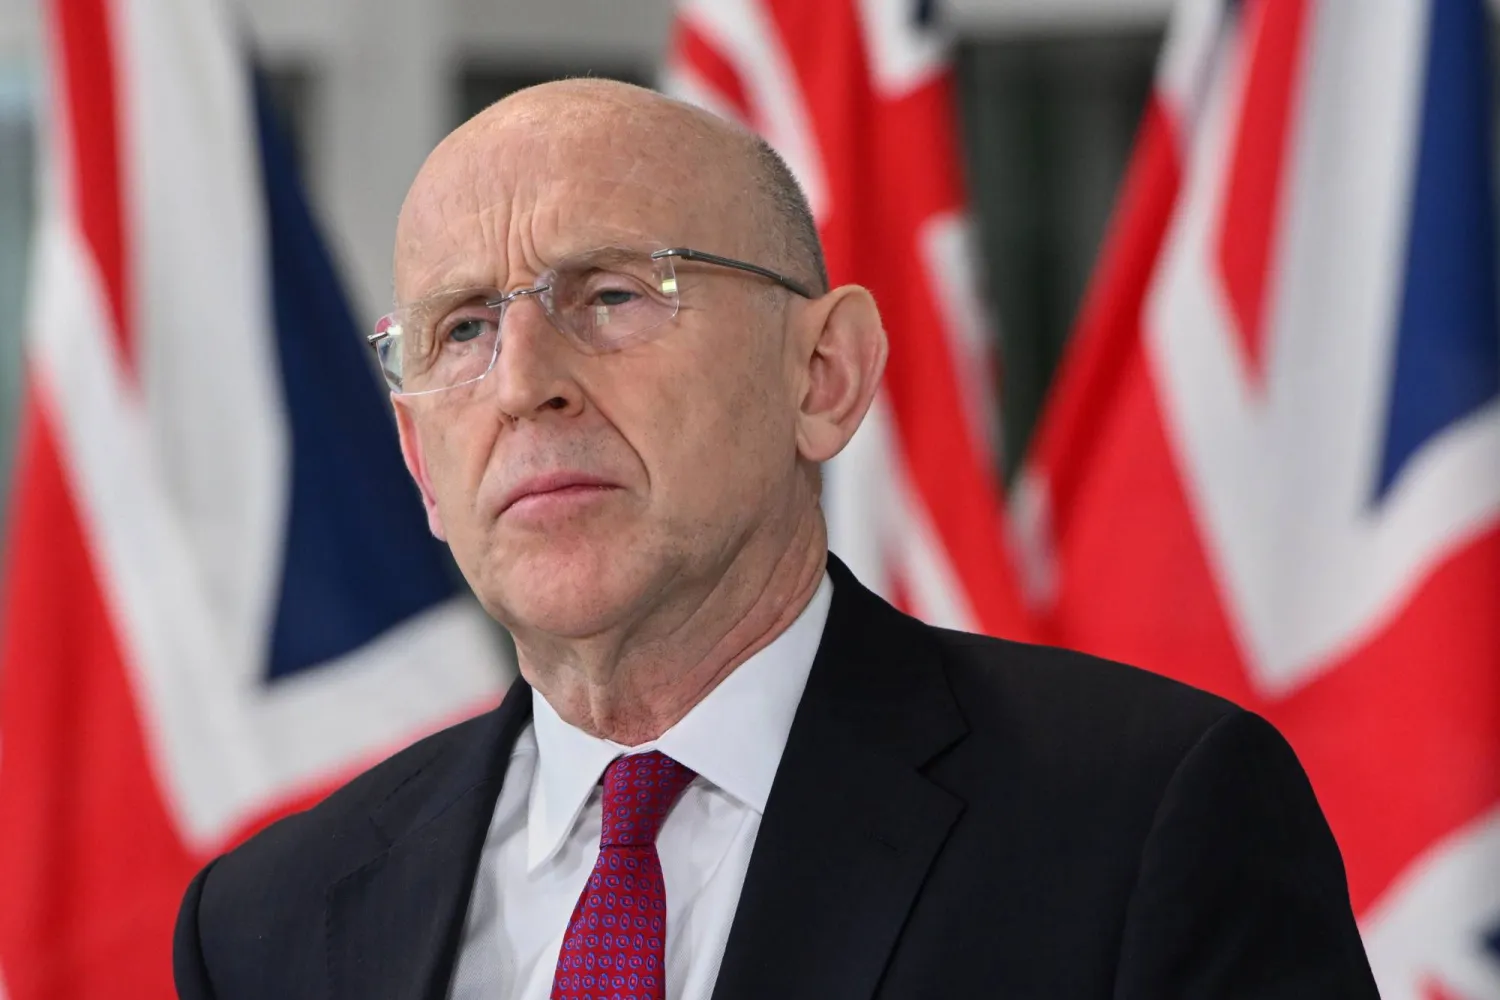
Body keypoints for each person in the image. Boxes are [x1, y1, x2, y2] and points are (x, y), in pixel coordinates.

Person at [173, 79, 1379, 1000]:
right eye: (461, 330)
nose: (522, 384)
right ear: (416, 463)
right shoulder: (268, 924)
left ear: (824, 373)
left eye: (611, 295)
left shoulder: (1147, 822)